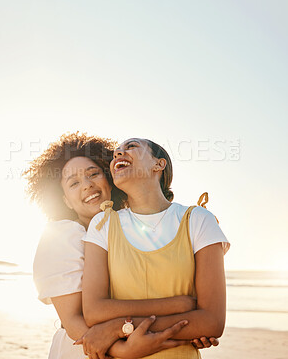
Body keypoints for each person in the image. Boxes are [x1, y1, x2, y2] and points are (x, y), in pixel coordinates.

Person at [24, 133, 218, 359]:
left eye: (93, 174)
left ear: (108, 180)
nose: (87, 185)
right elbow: (75, 319)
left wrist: (190, 329)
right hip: (85, 349)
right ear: (65, 200)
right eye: (74, 183)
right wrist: (124, 347)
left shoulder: (122, 225)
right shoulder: (61, 236)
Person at [83, 138, 230, 358]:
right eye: (116, 152)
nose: (118, 154)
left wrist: (119, 327)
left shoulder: (198, 220)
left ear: (159, 164)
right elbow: (94, 311)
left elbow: (211, 322)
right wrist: (180, 306)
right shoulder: (103, 224)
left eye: (131, 147)